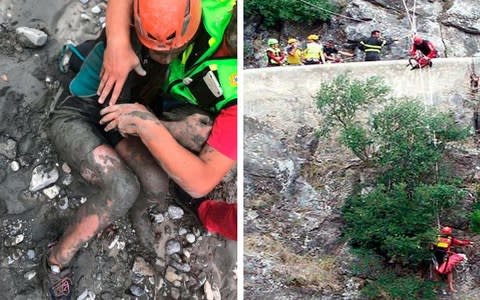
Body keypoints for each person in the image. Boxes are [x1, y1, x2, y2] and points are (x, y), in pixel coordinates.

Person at [42, 1, 237, 299]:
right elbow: (105, 106)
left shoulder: (186, 51)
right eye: (159, 50)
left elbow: (128, 116)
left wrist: (154, 126)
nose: (164, 56)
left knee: (157, 184)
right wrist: (117, 42)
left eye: (172, 51)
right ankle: (56, 261)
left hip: (118, 117)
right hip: (78, 115)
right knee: (122, 188)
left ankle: (137, 216)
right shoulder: (132, 35)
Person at [432, 226, 472, 292]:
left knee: (446, 271)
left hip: (443, 256)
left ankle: (448, 287)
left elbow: (460, 243)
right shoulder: (440, 237)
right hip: (438, 256)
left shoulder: (442, 237)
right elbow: (460, 243)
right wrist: (468, 243)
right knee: (440, 271)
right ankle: (437, 287)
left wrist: (468, 243)